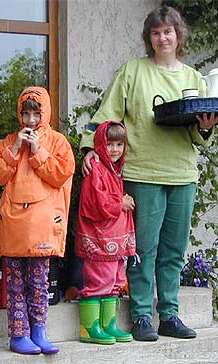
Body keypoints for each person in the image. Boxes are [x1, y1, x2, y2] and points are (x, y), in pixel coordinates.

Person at [80, 6, 218, 342]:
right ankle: (143, 316)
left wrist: (206, 128)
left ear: (179, 35)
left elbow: (197, 135)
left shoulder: (194, 79)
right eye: (156, 32)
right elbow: (107, 116)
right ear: (149, 38)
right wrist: (89, 148)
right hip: (142, 173)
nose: (163, 37)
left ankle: (170, 314)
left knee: (174, 249)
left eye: (169, 31)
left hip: (182, 174)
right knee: (142, 247)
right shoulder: (132, 72)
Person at [0, 86, 75, 355]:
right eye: (26, 114)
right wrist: (15, 147)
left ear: (45, 113)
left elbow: (61, 174)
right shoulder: (9, 140)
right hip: (13, 223)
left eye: (37, 114)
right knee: (14, 284)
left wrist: (37, 151)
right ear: (19, 114)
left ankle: (40, 333)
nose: (31, 120)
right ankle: (18, 335)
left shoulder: (58, 142)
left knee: (39, 282)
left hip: (43, 224)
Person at [76, 121, 136, 345]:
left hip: (114, 241)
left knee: (115, 281)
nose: (114, 149)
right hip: (100, 240)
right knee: (99, 281)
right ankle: (89, 328)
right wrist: (120, 203)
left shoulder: (113, 171)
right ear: (100, 144)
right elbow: (94, 204)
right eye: (109, 144)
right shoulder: (96, 170)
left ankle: (108, 324)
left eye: (119, 144)